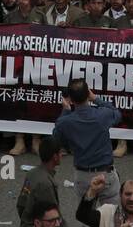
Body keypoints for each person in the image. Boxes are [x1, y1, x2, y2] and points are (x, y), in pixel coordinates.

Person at [52, 77, 122, 208]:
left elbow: (56, 138)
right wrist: (95, 98)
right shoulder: (102, 115)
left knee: (86, 218)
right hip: (105, 174)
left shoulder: (66, 122)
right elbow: (116, 113)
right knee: (113, 219)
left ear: (71, 99)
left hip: (83, 176)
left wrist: (65, 111)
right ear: (87, 94)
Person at [16, 136, 68, 227]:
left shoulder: (31, 173)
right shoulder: (46, 185)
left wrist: (26, 220)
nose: (62, 155)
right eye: (60, 152)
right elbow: (55, 218)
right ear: (55, 157)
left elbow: (21, 204)